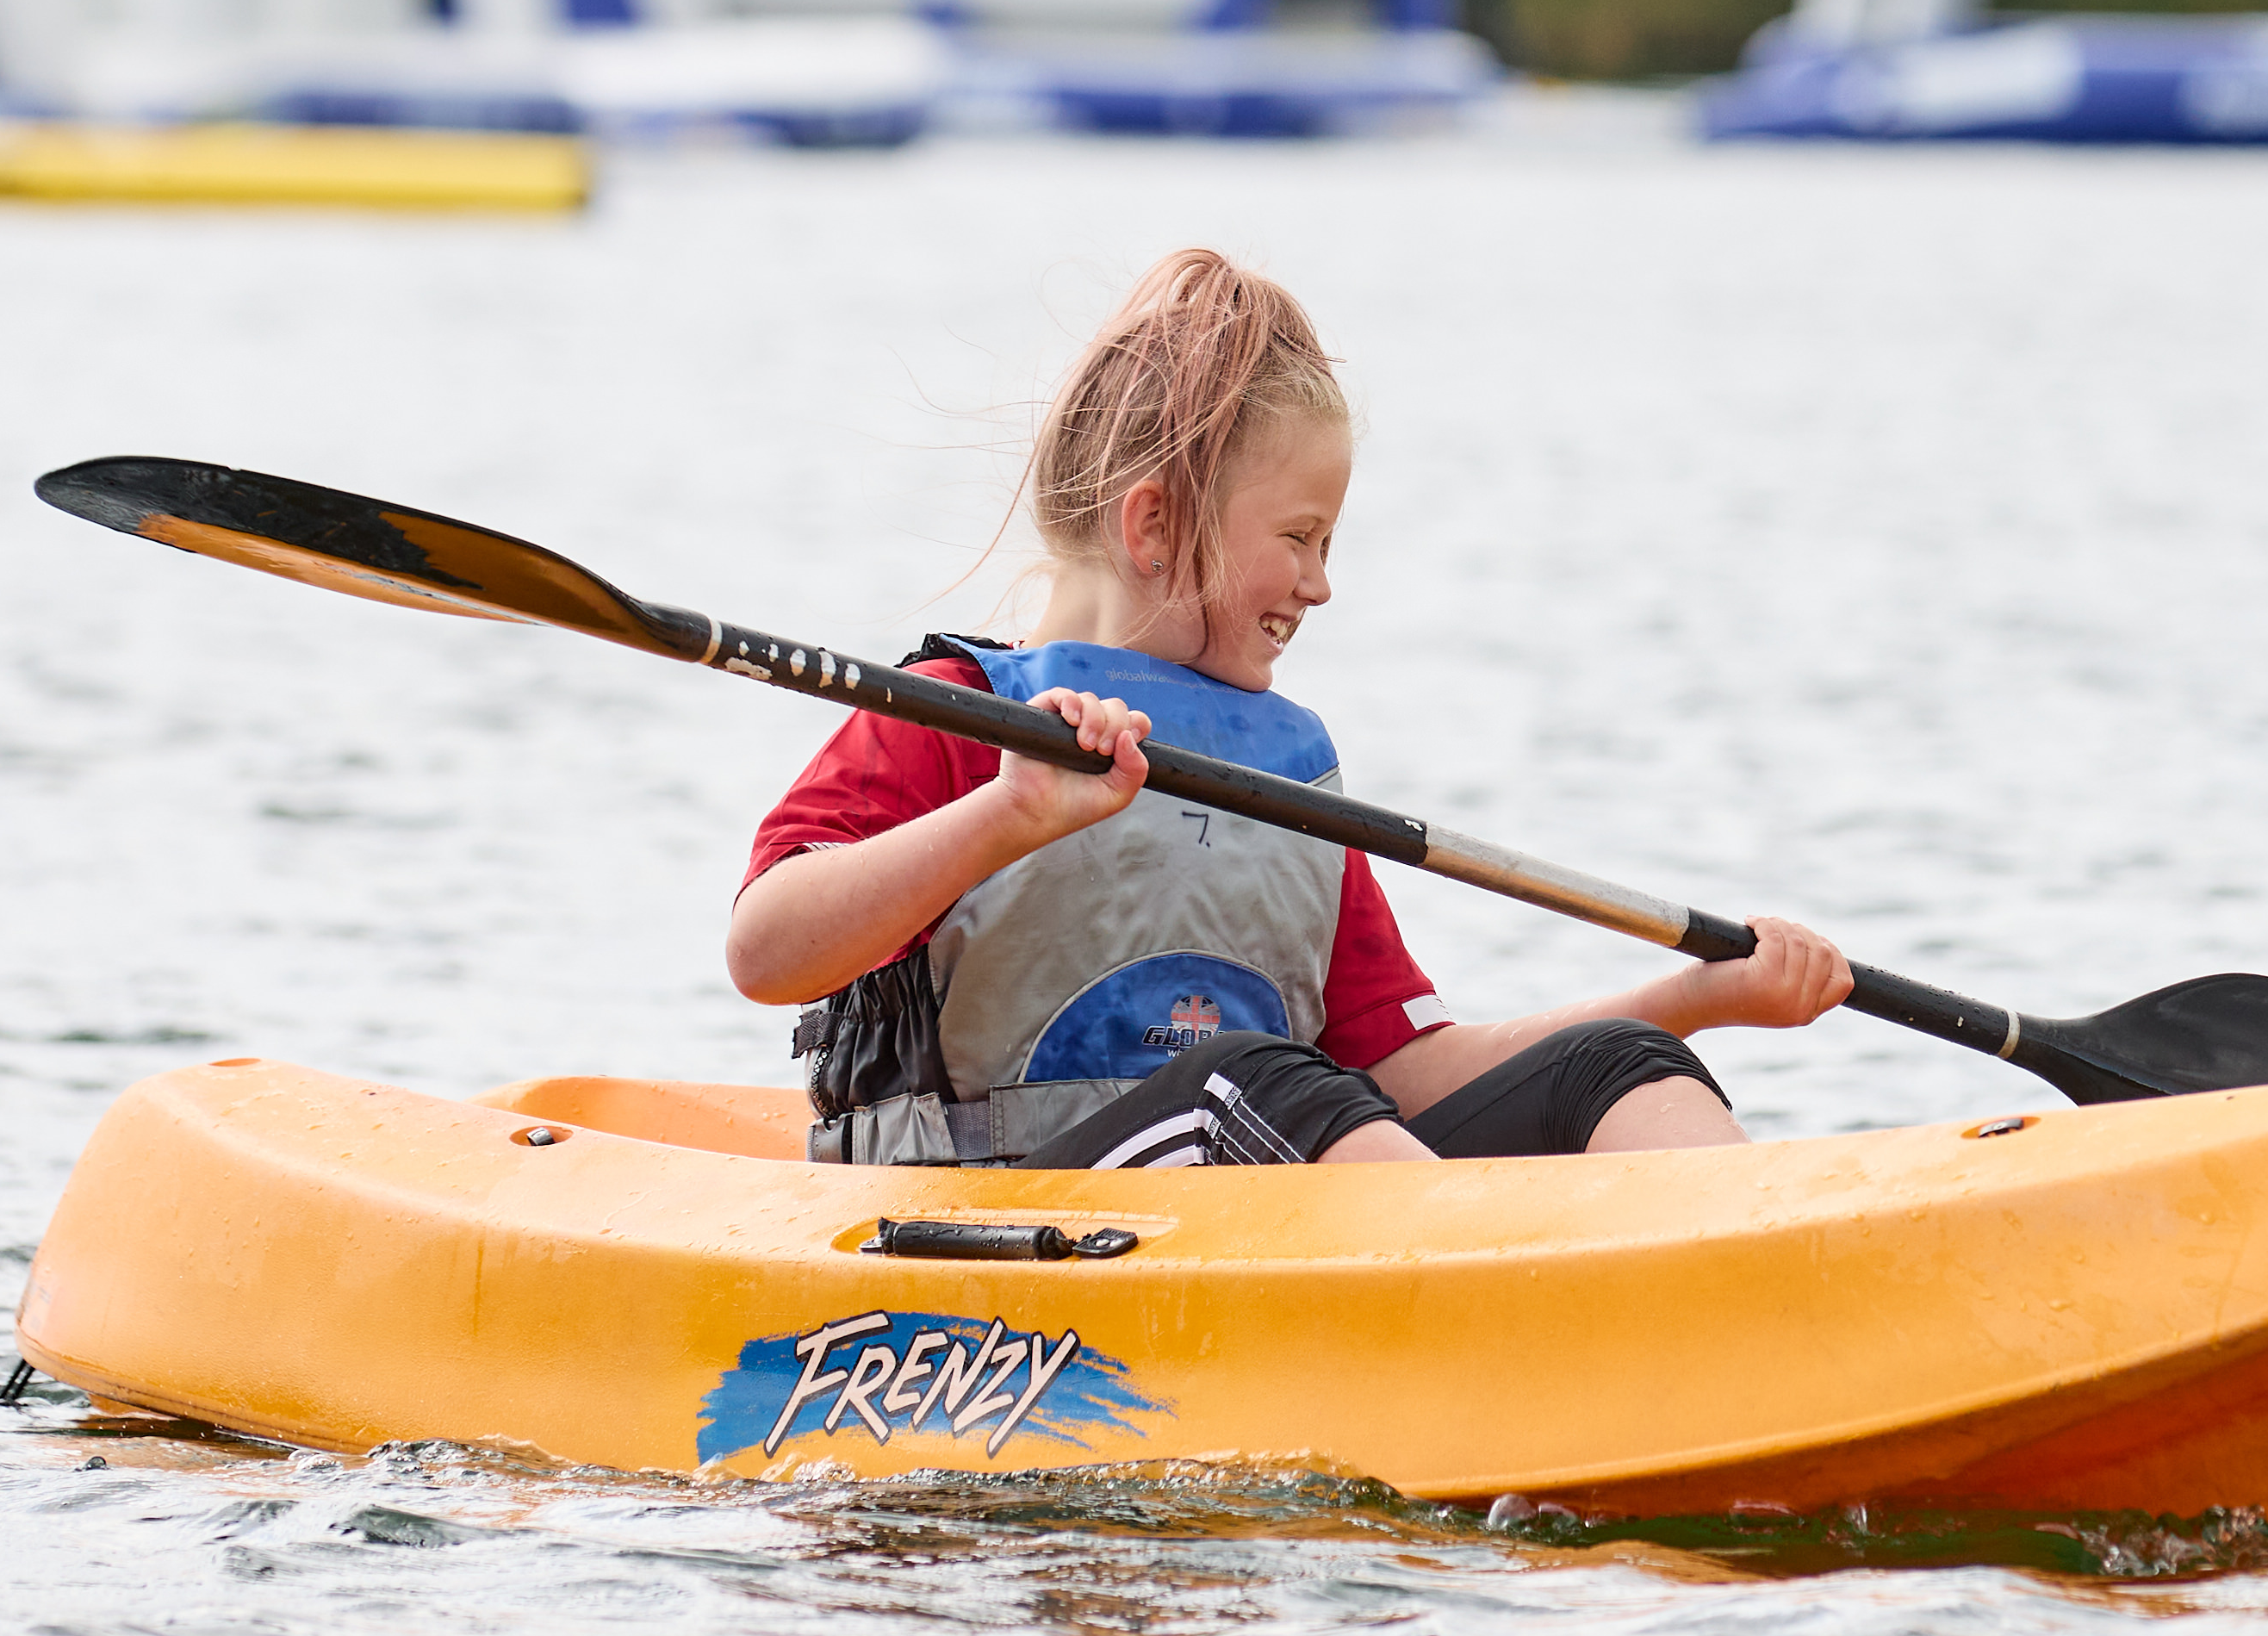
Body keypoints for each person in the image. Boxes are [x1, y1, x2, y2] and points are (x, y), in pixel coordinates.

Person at [729, 249, 1852, 1170]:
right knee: (1255, 1078)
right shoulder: (960, 716)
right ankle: (1498, 1307)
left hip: (1254, 1164)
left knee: (1610, 1060)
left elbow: (1404, 1067)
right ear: (1154, 525)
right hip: (1001, 1230)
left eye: (1329, 543)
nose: (1319, 583)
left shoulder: (1282, 773)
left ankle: (1752, 1283)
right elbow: (766, 947)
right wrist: (1005, 816)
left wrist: (1694, 997)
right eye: (1299, 537)